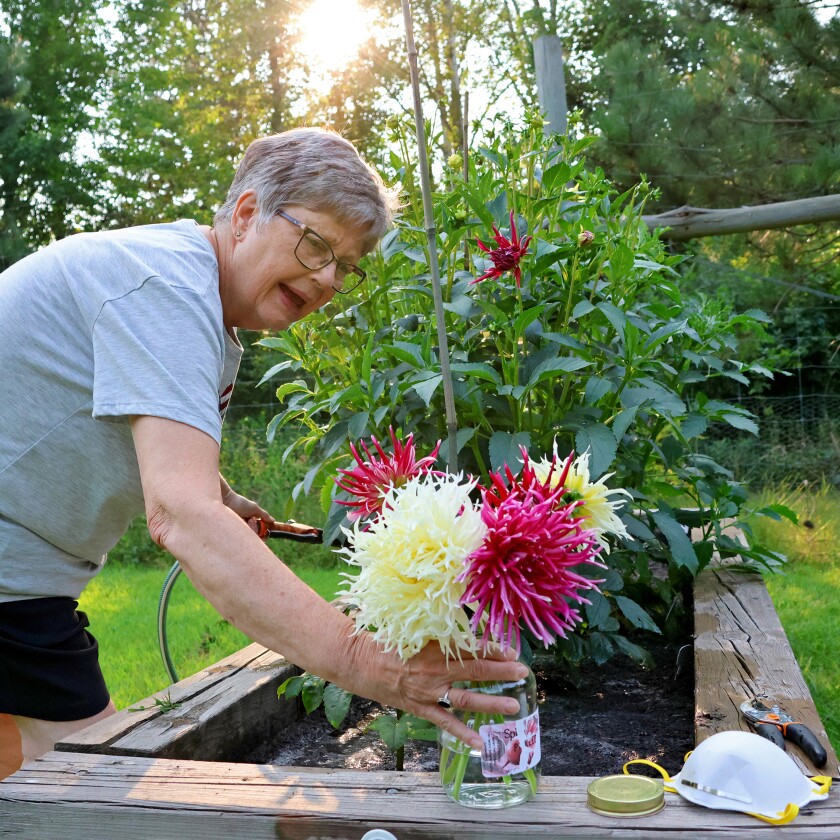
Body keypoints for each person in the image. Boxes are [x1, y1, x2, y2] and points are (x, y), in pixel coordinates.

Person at [0, 127, 527, 780]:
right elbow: (181, 516)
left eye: (346, 265)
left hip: (22, 595)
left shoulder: (192, 306)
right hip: (12, 592)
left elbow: (149, 445)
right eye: (316, 243)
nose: (329, 276)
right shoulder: (167, 287)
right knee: (98, 794)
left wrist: (222, 497)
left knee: (49, 789)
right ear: (246, 214)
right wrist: (365, 663)